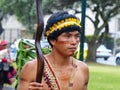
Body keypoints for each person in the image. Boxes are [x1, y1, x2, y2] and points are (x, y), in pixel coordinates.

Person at [18, 11, 89, 90]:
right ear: (52, 40)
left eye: (77, 36)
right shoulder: (32, 68)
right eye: (67, 36)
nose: (74, 42)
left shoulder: (83, 69)